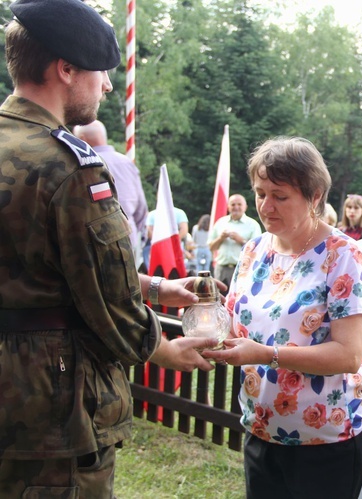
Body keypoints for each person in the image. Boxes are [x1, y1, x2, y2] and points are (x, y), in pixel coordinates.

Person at [0, 1, 217, 496]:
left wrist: (159, 286)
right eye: (102, 71)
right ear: (67, 68)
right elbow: (106, 294)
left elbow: (47, 269)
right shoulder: (72, 170)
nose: (108, 85)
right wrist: (163, 349)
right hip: (51, 417)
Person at [201, 137, 362, 499]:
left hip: (324, 443)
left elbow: (347, 355)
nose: (265, 206)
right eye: (260, 192)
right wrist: (201, 320)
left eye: (280, 196)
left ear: (314, 197)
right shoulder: (254, 250)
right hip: (260, 431)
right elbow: (235, 324)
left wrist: (266, 354)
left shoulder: (343, 256)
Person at [73, 119, 148, 268]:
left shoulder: (80, 165)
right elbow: (141, 208)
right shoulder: (127, 163)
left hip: (96, 244)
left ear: (82, 139)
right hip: (128, 238)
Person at [209, 194, 262, 289]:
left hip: (243, 269)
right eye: (233, 205)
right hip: (221, 269)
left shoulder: (252, 225)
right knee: (220, 300)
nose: (236, 207)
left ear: (245, 207)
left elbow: (259, 249)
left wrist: (241, 240)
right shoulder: (220, 223)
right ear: (228, 207)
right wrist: (220, 238)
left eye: (239, 204)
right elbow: (211, 247)